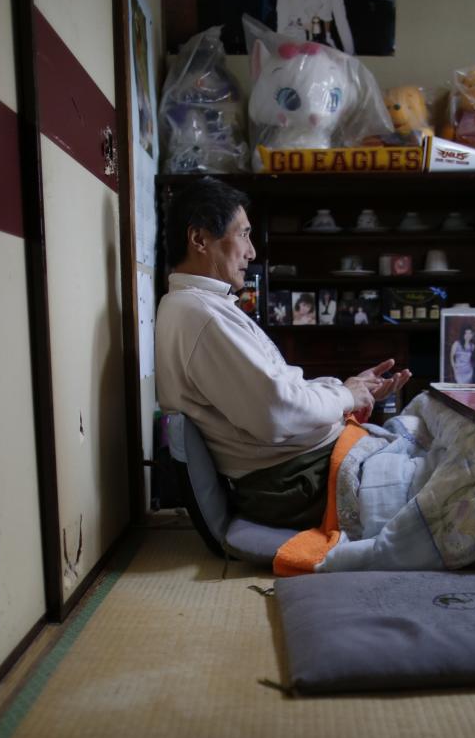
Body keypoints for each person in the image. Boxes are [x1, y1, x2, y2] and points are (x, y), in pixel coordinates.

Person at [155, 178, 410, 528]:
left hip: (297, 472)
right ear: (200, 239)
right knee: (459, 462)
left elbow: (275, 392)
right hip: (294, 481)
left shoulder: (196, 306)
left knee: (427, 434)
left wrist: (348, 387)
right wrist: (345, 397)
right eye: (243, 234)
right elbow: (275, 412)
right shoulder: (202, 314)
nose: (252, 252)